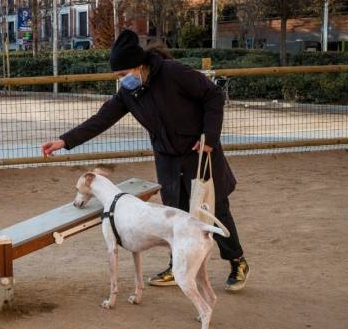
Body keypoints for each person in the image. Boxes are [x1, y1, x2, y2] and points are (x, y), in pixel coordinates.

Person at [41, 29, 250, 292]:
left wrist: (209, 137)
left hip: (200, 154)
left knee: (214, 209)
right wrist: (64, 141)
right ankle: (178, 265)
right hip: (168, 160)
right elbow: (101, 119)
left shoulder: (174, 73)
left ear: (138, 66)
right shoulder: (129, 93)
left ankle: (236, 261)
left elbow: (213, 96)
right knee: (175, 214)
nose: (121, 80)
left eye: (122, 74)